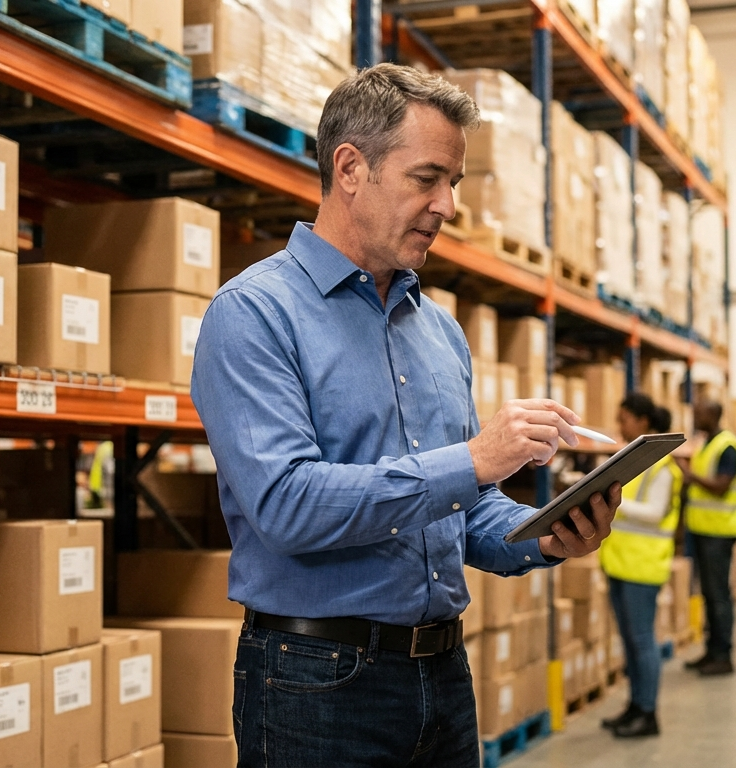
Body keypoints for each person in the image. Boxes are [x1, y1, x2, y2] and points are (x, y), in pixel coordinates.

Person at [189, 63, 623, 768]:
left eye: (453, 182)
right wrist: (477, 459)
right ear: (351, 167)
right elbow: (286, 504)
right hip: (314, 681)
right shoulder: (255, 314)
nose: (448, 205)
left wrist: (543, 537)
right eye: (428, 178)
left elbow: (461, 512)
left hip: (442, 676)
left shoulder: (439, 332)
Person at [598, 393, 683, 738]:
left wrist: (611, 502)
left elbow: (655, 513)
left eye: (625, 419)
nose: (620, 425)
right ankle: (634, 706)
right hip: (620, 563)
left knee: (643, 641)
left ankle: (648, 713)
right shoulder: (631, 461)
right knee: (630, 643)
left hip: (643, 568)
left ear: (643, 422)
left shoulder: (664, 467)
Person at [676, 398, 736, 676]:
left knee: (718, 595)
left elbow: (721, 487)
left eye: (700, 412)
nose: (695, 416)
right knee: (708, 594)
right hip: (703, 529)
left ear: (714, 414)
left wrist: (690, 476)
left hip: (720, 531)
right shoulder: (706, 443)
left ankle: (723, 655)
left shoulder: (727, 446)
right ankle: (711, 650)